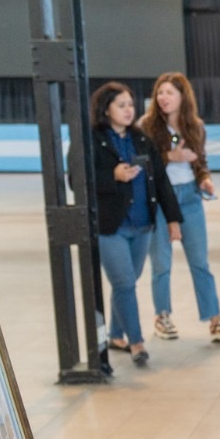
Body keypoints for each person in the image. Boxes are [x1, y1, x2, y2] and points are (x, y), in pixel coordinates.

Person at [140, 72, 220, 344]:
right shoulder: (147, 126)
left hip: (190, 197)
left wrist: (205, 180)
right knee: (161, 263)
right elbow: (142, 163)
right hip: (160, 199)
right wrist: (169, 156)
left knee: (200, 262)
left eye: (169, 92)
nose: (163, 97)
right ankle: (162, 316)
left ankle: (215, 320)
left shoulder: (195, 126)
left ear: (182, 96)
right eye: (160, 92)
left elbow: (200, 162)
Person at [88, 81, 181, 367]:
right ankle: (136, 342)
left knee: (127, 282)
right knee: (125, 283)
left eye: (130, 104)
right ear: (106, 109)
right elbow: (76, 181)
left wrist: (173, 218)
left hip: (143, 226)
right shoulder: (92, 140)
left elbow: (161, 181)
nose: (129, 110)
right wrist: (112, 176)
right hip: (110, 228)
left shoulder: (141, 139)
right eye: (121, 105)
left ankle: (116, 334)